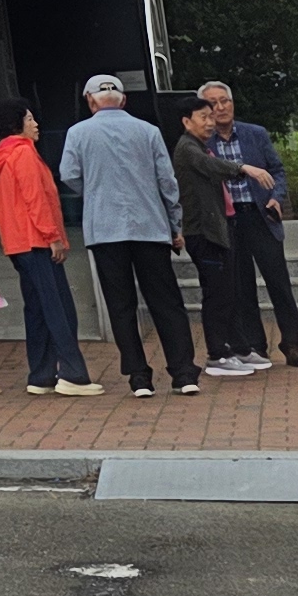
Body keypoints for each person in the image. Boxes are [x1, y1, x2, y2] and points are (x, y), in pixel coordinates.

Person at [60, 75, 197, 398]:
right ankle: (183, 373)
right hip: (150, 227)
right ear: (123, 100)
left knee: (121, 305)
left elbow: (69, 175)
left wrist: (95, 193)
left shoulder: (77, 133)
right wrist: (175, 224)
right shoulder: (148, 131)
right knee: (166, 301)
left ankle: (139, 377)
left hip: (105, 230)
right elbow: (167, 181)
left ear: (90, 100)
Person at [0, 103, 98, 396]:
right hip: (37, 241)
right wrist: (53, 236)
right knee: (58, 307)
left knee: (37, 309)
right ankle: (72, 373)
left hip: (18, 243)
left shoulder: (2, 157)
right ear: (17, 124)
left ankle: (42, 374)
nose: (36, 124)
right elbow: (36, 198)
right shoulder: (23, 153)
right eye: (30, 119)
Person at [173, 92, 274, 378]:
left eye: (211, 117)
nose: (210, 122)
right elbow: (211, 167)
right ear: (187, 122)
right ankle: (217, 354)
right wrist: (244, 168)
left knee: (230, 292)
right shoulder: (188, 148)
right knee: (217, 295)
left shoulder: (201, 146)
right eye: (203, 117)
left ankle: (239, 348)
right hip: (203, 232)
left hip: (219, 228)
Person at [216, 86, 298, 368]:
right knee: (241, 286)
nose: (221, 107)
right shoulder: (202, 141)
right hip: (228, 219)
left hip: (260, 215)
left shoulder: (254, 133)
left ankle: (292, 344)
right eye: (213, 103)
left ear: (232, 103)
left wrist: (276, 198)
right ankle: (255, 346)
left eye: (225, 101)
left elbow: (277, 170)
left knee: (278, 282)